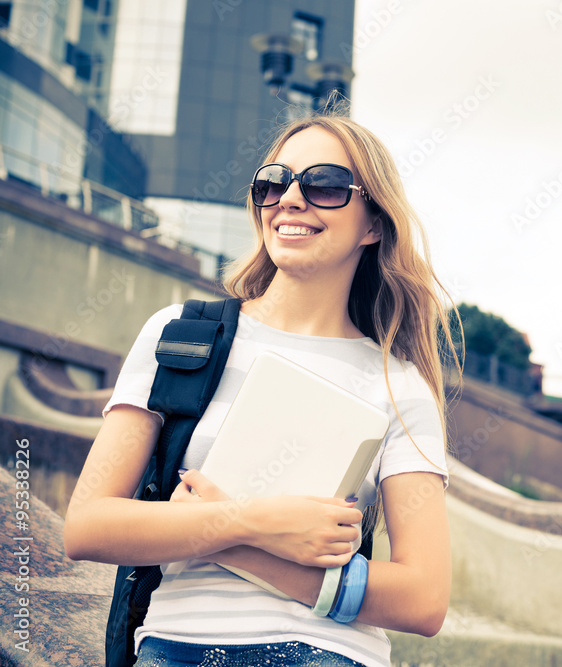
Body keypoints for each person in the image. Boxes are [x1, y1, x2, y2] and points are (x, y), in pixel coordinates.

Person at [63, 110, 460, 667]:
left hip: (328, 653)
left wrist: (223, 532)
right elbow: (86, 527)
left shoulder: (400, 385)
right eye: (274, 182)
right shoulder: (179, 335)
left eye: (324, 186)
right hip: (178, 646)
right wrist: (260, 523)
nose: (290, 199)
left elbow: (424, 600)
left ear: (373, 224)